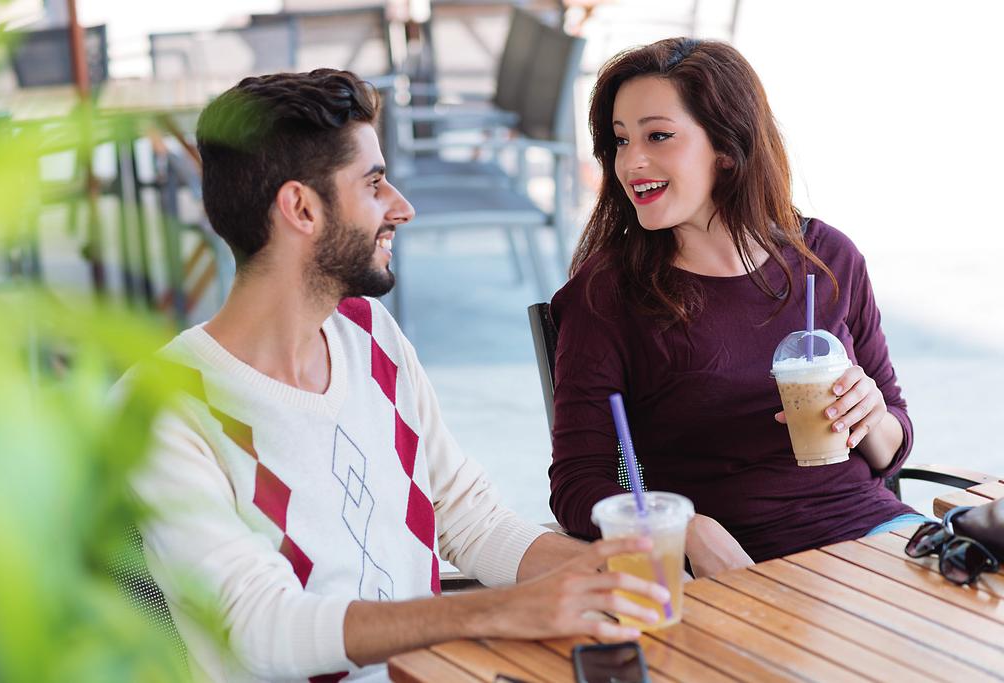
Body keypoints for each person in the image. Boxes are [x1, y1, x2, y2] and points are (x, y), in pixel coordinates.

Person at [125, 69, 744, 683]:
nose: (403, 207)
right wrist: (499, 612)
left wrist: (611, 576)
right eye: (373, 184)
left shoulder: (370, 337)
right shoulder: (162, 407)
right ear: (301, 208)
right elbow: (260, 629)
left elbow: (469, 519)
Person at [548, 38, 924, 564]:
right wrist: (684, 530)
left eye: (658, 136)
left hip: (880, 534)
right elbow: (576, 485)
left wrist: (873, 418)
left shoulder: (828, 258)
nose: (631, 161)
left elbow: (892, 446)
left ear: (727, 149)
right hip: (740, 569)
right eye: (620, 141)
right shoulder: (608, 293)